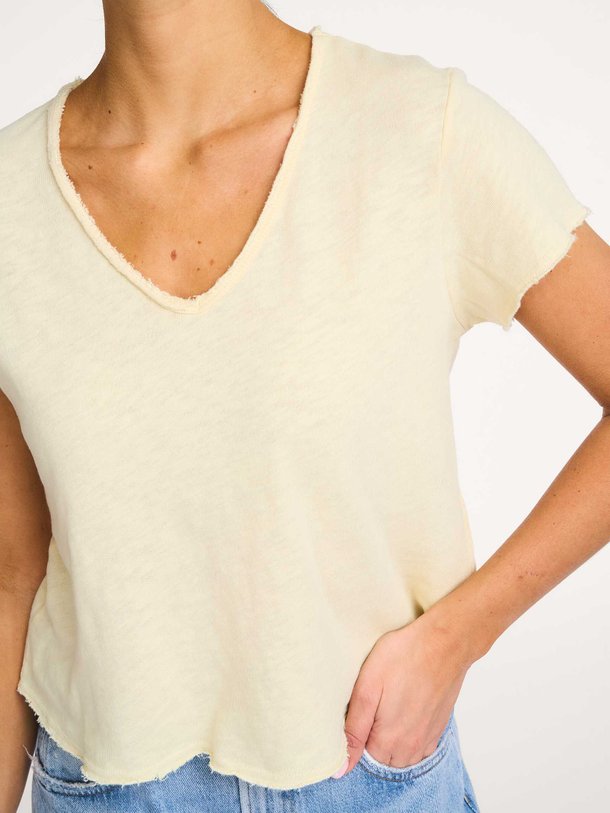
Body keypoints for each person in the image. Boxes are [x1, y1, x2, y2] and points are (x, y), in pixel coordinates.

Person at [1, 1, 608, 811]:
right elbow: (14, 570)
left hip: (370, 778)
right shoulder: (11, 200)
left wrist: (461, 633)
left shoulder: (417, 132)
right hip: (106, 785)